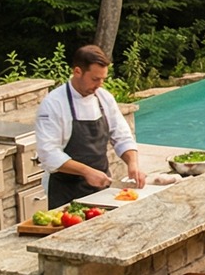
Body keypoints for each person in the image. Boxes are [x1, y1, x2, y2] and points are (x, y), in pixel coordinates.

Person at [36, 44, 143, 209]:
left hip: (102, 189)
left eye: (103, 79)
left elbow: (122, 136)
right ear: (77, 71)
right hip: (66, 192)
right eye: (95, 79)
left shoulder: (104, 98)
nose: (100, 84)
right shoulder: (53, 104)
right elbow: (48, 154)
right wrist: (86, 171)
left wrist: (133, 163)